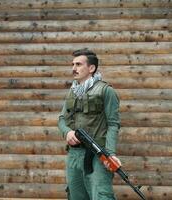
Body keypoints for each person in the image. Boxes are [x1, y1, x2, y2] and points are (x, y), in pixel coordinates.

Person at [58, 48, 121, 200]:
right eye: (73, 64)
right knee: (75, 195)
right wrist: (67, 132)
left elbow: (113, 124)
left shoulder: (106, 91)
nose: (74, 68)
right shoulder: (72, 91)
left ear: (91, 68)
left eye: (78, 64)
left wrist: (110, 154)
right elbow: (61, 119)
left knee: (101, 195)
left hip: (97, 155)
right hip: (74, 154)